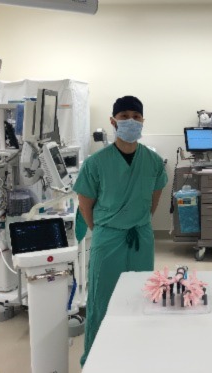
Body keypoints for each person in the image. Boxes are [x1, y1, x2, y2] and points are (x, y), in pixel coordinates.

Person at [73, 96, 168, 365]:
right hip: (108, 238)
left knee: (142, 297)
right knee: (102, 301)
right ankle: (96, 360)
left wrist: (138, 220)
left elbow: (155, 197)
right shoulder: (96, 163)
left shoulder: (152, 160)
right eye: (124, 116)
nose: (131, 121)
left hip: (140, 237)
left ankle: (136, 356)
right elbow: (85, 205)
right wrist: (105, 229)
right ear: (113, 122)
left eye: (136, 116)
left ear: (143, 122)